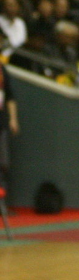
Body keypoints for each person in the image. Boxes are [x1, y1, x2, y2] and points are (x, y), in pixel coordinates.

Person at [0, 62, 20, 194]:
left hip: (1, 123)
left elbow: (10, 96)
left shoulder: (2, 69)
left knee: (3, 163)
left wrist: (13, 119)